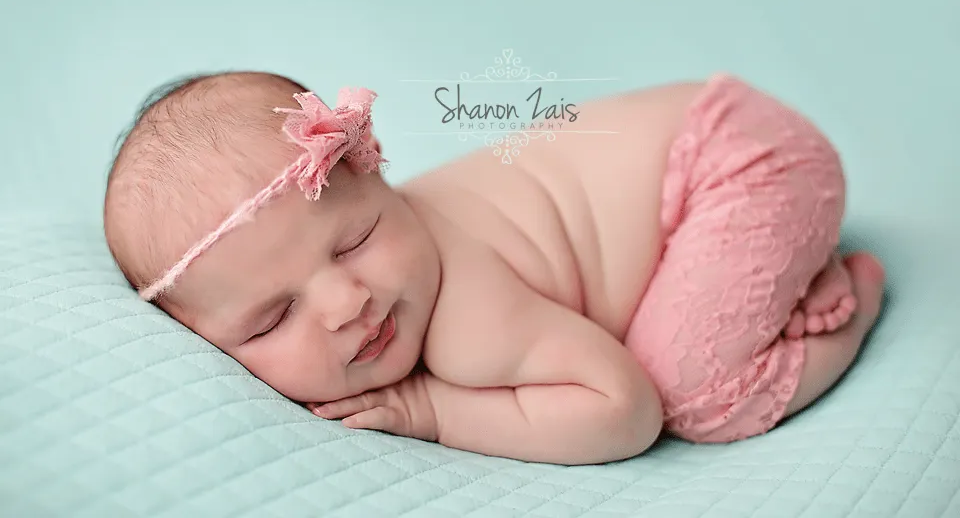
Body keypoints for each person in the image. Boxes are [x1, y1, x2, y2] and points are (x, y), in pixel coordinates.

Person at [102, 70, 885, 465]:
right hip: (709, 142)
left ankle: (851, 298)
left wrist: (435, 414)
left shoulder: (465, 324)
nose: (347, 301)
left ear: (377, 170)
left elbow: (626, 411)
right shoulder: (391, 255)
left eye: (355, 240)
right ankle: (775, 273)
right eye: (274, 318)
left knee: (698, 397)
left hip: (744, 166)